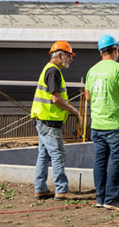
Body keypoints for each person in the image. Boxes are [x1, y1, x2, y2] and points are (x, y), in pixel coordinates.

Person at [85, 34, 119, 211]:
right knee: (117, 160)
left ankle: (100, 197)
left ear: (100, 52)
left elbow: (88, 97)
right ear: (115, 49)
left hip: (97, 124)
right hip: (115, 125)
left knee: (100, 161)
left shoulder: (92, 71)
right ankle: (112, 199)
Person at [30, 41, 83, 200]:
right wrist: (75, 112)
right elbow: (56, 99)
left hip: (43, 119)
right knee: (58, 154)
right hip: (49, 121)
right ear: (59, 55)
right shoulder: (53, 72)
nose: (71, 59)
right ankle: (61, 189)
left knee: (44, 155)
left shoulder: (49, 70)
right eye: (69, 55)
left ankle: (40, 188)